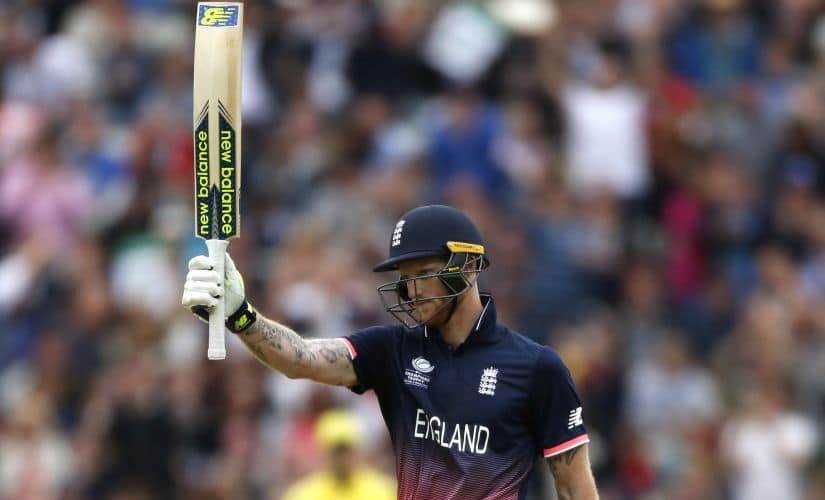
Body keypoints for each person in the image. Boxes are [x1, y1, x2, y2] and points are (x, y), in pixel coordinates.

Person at [182, 204, 599, 499]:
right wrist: (241, 315)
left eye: (423, 274)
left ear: (468, 268)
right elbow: (301, 359)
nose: (411, 289)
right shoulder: (393, 350)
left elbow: (574, 487)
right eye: (405, 277)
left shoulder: (535, 367)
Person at [281, 409, 396, 500]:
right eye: (336, 452)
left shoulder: (385, 491)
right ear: (323, 453)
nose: (342, 458)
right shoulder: (303, 495)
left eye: (346, 450)